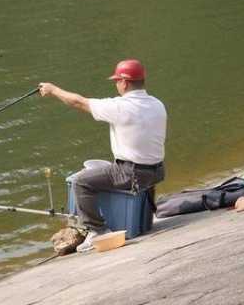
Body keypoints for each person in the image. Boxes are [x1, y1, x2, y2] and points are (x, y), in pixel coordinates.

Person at [38, 59, 167, 252]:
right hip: (157, 171)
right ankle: (144, 216)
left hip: (132, 173)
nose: (116, 84)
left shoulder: (121, 107)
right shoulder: (157, 104)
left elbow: (77, 102)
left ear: (124, 82)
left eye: (117, 80)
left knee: (80, 181)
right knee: (104, 169)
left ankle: (98, 230)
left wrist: (52, 89)